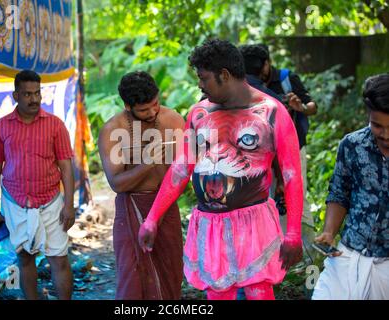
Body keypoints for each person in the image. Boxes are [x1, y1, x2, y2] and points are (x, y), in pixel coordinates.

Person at [138, 39, 303, 300]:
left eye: (204, 78)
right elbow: (181, 169)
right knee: (217, 294)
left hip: (254, 225)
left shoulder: (272, 113)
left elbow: (292, 175)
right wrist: (152, 219)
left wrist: (293, 232)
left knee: (259, 292)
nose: (200, 85)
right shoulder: (198, 112)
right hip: (210, 226)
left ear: (224, 75)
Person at [0, 70, 75, 300]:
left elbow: (66, 168)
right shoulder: (0, 128)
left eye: (37, 93)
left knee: (59, 258)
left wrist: (69, 206)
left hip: (51, 202)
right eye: (27, 94)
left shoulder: (55, 126)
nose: (34, 99)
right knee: (24, 257)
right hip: (15, 202)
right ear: (16, 95)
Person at [98, 71, 185, 299]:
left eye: (155, 104)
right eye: (144, 109)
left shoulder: (174, 120)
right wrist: (147, 164)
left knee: (171, 272)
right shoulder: (112, 129)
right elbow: (116, 183)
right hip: (131, 208)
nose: (152, 112)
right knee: (132, 277)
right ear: (128, 106)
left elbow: (186, 169)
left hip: (166, 207)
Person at [312, 74, 389, 300]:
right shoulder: (353, 145)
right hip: (349, 254)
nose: (385, 135)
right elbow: (339, 192)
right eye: (377, 126)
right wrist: (329, 231)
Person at [259, 44, 318, 258]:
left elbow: (313, 106)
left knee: (295, 195)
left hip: (292, 150)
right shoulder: (248, 84)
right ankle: (275, 253)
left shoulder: (286, 79)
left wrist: (299, 106)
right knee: (269, 199)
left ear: (267, 63)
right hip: (265, 154)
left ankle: (309, 252)